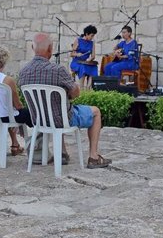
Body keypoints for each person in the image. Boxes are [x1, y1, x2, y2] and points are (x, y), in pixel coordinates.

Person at [18, 33, 112, 168]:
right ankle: (93, 157)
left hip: (39, 120)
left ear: (33, 48)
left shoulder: (23, 72)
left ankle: (62, 153)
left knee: (57, 107)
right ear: (50, 49)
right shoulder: (58, 70)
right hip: (61, 119)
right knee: (95, 112)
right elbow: (76, 93)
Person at [0, 44, 33, 156]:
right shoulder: (7, 80)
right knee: (29, 113)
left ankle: (15, 144)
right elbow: (18, 105)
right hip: (3, 116)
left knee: (6, 110)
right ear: (4, 60)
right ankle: (36, 145)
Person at [70, 25, 98, 89]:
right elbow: (71, 54)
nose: (92, 37)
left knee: (94, 67)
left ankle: (88, 87)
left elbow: (93, 56)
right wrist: (77, 54)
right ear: (86, 34)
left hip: (86, 62)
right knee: (83, 67)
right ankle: (81, 87)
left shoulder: (92, 43)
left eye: (93, 36)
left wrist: (90, 59)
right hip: (77, 62)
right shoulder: (78, 40)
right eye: (91, 35)